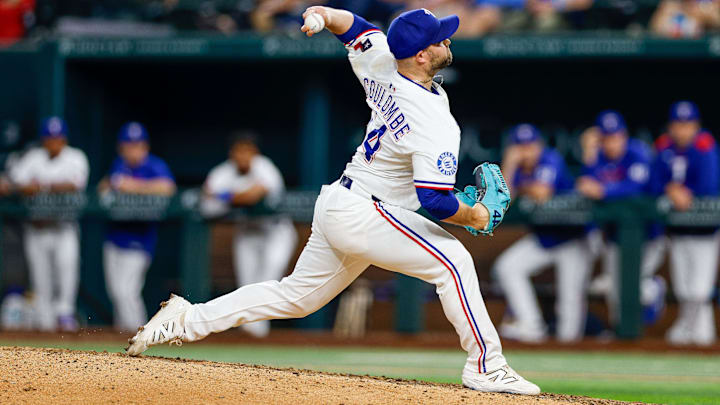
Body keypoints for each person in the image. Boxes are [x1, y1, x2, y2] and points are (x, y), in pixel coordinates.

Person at [128, 7, 540, 395]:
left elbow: (354, 25)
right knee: (454, 263)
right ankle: (485, 365)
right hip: (367, 211)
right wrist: (475, 214)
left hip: (341, 203)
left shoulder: (381, 59)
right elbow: (433, 200)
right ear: (419, 55)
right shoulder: (433, 122)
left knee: (296, 298)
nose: (448, 41)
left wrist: (322, 14)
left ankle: (187, 318)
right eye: (440, 39)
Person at [494, 124, 591, 343]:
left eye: (530, 146)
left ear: (538, 146)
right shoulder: (517, 166)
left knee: (569, 299)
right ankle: (531, 324)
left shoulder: (550, 159)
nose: (526, 151)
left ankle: (570, 348)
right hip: (544, 239)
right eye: (520, 147)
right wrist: (509, 165)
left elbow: (542, 192)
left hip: (572, 239)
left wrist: (523, 187)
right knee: (507, 267)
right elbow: (503, 198)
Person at [201, 133, 298, 338]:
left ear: (255, 152)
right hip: (247, 230)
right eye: (239, 150)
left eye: (248, 150)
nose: (243, 155)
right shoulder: (223, 173)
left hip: (276, 231)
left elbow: (254, 194)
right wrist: (233, 196)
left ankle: (257, 334)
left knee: (267, 280)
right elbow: (206, 204)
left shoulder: (265, 167)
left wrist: (226, 195)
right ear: (232, 153)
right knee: (246, 285)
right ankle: (252, 335)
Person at [577, 110, 666, 327]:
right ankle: (622, 338)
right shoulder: (598, 156)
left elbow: (635, 187)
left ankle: (653, 286)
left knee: (632, 286)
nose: (612, 143)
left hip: (648, 237)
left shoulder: (638, 153)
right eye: (606, 138)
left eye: (616, 136)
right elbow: (584, 185)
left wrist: (604, 191)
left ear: (624, 135)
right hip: (616, 237)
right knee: (615, 292)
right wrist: (589, 153)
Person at [9, 116, 89, 331]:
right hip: (37, 228)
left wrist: (40, 186)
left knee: (66, 271)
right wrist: (36, 187)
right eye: (49, 138)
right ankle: (45, 326)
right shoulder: (34, 157)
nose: (53, 142)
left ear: (64, 139)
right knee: (40, 279)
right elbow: (16, 182)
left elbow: (74, 184)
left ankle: (65, 316)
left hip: (64, 227)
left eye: (57, 138)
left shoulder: (76, 157)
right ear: (44, 140)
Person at [650, 101, 719, 346]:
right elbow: (654, 182)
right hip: (678, 231)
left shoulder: (705, 146)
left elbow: (710, 187)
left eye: (687, 124)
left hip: (705, 232)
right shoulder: (664, 147)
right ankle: (697, 332)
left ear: (696, 125)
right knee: (683, 290)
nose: (683, 130)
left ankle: (692, 331)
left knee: (699, 290)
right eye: (678, 124)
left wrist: (685, 192)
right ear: (671, 126)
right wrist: (671, 189)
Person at [99, 122, 176, 331]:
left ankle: (139, 333)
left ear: (145, 146)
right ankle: (122, 333)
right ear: (121, 147)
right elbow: (102, 189)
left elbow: (168, 187)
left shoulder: (154, 165)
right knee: (116, 292)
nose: (133, 150)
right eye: (128, 145)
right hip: (115, 238)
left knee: (127, 291)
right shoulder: (118, 165)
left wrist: (132, 186)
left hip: (140, 240)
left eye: (137, 145)